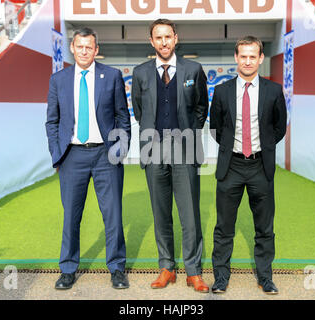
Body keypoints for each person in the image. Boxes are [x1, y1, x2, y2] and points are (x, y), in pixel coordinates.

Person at [46, 27, 131, 290]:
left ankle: (117, 269)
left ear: (96, 49)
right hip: (72, 156)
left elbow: (122, 118)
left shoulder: (112, 76)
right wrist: (57, 155)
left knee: (113, 215)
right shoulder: (58, 79)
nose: (84, 51)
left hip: (106, 155)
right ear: (72, 48)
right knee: (71, 215)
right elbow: (52, 121)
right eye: (79, 46)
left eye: (89, 47)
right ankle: (68, 269)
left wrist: (118, 151)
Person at [131, 19, 209, 293]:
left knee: (189, 215)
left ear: (176, 38)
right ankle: (166, 267)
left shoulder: (194, 70)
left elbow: (202, 109)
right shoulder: (140, 73)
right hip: (153, 151)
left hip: (184, 150)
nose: (163, 42)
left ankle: (193, 271)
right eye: (158, 37)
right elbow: (139, 112)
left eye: (168, 36)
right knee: (161, 213)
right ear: (151, 41)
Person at [209, 36, 287, 295]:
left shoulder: (274, 91)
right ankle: (220, 278)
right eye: (243, 56)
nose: (247, 61)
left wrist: (261, 148)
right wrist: (233, 149)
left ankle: (266, 278)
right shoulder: (222, 91)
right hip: (230, 166)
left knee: (264, 227)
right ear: (236, 57)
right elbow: (216, 127)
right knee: (224, 228)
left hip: (260, 167)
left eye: (253, 56)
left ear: (261, 58)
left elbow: (278, 128)